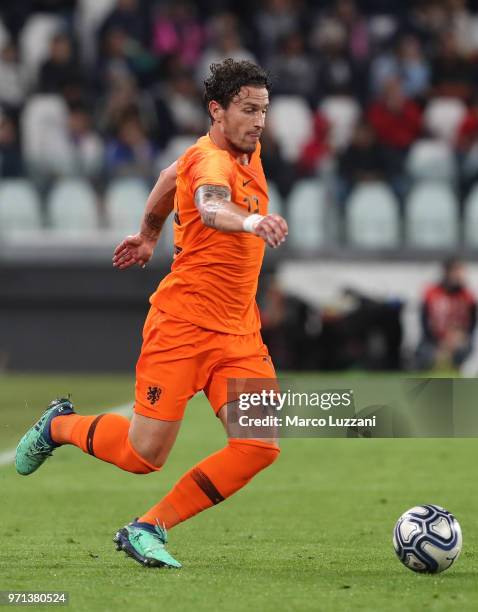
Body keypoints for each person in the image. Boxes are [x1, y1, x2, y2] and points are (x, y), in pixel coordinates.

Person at [15, 59, 288, 569]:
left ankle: (146, 527)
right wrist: (251, 220)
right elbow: (209, 207)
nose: (258, 121)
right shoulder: (212, 164)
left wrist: (148, 234)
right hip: (182, 326)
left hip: (238, 333)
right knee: (145, 456)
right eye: (249, 110)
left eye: (264, 111)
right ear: (217, 110)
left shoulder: (243, 151)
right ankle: (60, 427)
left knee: (258, 444)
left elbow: (168, 176)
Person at [415, 258, 477, 371]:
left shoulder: (467, 296)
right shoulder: (431, 293)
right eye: (456, 272)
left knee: (463, 351)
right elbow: (424, 322)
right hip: (434, 341)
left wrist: (458, 338)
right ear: (447, 273)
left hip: (458, 343)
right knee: (424, 354)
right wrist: (439, 343)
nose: (459, 276)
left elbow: (471, 324)